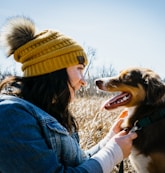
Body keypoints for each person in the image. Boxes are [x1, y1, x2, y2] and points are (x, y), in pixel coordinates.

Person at [0, 16, 137, 173]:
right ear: (53, 70)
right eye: (79, 68)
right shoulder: (10, 114)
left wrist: (110, 139)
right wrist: (113, 154)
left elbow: (79, 163)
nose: (84, 81)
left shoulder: (47, 111)